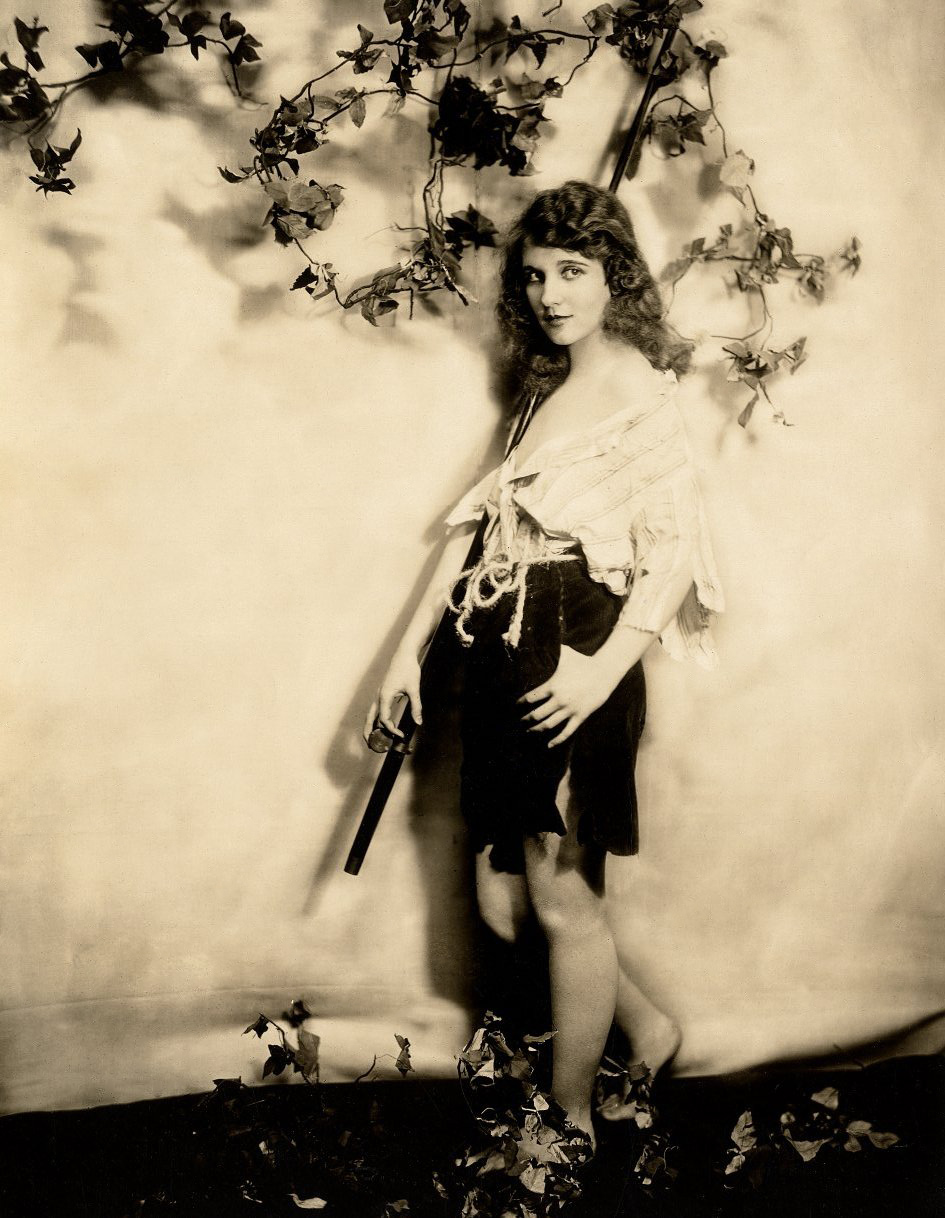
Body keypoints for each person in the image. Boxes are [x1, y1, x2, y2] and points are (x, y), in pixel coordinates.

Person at [363, 180, 723, 1150]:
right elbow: (475, 533)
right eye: (534, 276)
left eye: (572, 271)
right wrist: (403, 659)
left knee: (564, 897)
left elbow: (674, 556)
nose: (552, 294)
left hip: (577, 644)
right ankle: (648, 1029)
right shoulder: (543, 392)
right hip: (497, 647)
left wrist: (601, 675)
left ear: (616, 277)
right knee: (502, 901)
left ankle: (567, 1122)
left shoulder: (640, 393)